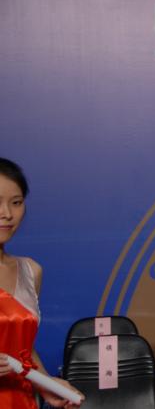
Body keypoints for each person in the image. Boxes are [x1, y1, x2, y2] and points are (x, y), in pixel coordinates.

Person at [0, 157, 83, 409]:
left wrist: (47, 385)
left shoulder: (30, 271)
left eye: (16, 202)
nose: (7, 214)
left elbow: (24, 350)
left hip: (20, 400)